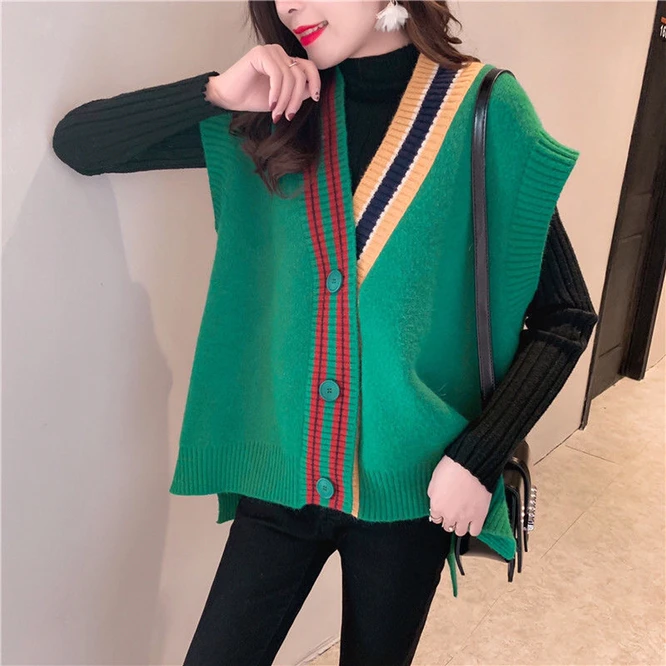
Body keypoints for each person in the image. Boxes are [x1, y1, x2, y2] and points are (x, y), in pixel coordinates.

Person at [52, 1, 599, 664]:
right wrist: (217, 92)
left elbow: (567, 313)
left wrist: (478, 455)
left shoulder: (483, 108)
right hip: (280, 481)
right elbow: (78, 144)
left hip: (412, 494)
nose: (291, 5)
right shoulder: (278, 106)